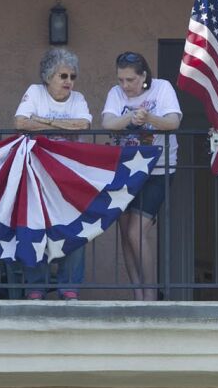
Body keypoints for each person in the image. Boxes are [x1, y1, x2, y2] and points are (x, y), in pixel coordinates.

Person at [101, 52, 182, 301]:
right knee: (125, 232)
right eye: (121, 80)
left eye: (130, 80)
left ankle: (150, 294)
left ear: (144, 76)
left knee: (137, 232)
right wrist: (130, 117)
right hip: (125, 171)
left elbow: (173, 122)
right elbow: (107, 123)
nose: (125, 86)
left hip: (158, 168)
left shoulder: (162, 88)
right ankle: (138, 293)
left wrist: (149, 118)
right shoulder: (116, 93)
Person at [14, 47, 92, 300]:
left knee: (74, 228)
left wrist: (44, 122)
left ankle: (69, 286)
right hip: (37, 175)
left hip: (70, 176)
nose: (69, 82)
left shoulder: (78, 98)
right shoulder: (35, 92)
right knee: (36, 228)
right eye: (63, 76)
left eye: (72, 77)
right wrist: (61, 125)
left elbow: (83, 124)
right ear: (49, 77)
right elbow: (21, 122)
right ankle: (36, 285)